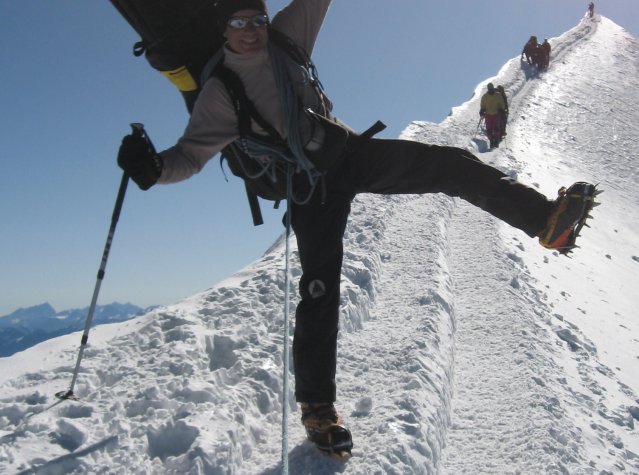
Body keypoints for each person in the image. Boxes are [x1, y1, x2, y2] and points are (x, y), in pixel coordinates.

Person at [116, 0, 597, 452]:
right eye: (238, 24)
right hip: (307, 187)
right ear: (222, 29)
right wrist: (152, 169)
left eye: (256, 20)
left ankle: (545, 221)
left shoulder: (285, 36)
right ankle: (318, 410)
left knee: (450, 166)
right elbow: (190, 155)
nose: (250, 32)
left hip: (348, 154)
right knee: (320, 289)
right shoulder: (221, 90)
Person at [479, 83, 506, 148]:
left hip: (496, 114)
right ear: (488, 89)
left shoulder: (498, 95)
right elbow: (482, 105)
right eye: (490, 89)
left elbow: (502, 103)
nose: (491, 90)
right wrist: (482, 110)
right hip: (488, 115)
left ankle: (496, 141)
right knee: (489, 130)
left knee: (496, 128)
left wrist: (501, 109)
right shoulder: (484, 97)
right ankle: (491, 141)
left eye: (491, 89)